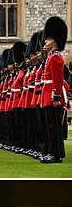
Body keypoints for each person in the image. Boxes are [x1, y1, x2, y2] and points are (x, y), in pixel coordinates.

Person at [40, 16, 67, 163]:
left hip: (52, 98)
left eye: (48, 39)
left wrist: (56, 97)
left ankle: (56, 155)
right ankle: (53, 152)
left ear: (55, 41)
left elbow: (57, 80)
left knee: (55, 128)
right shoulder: (51, 57)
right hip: (48, 96)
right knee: (50, 128)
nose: (45, 41)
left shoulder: (55, 57)